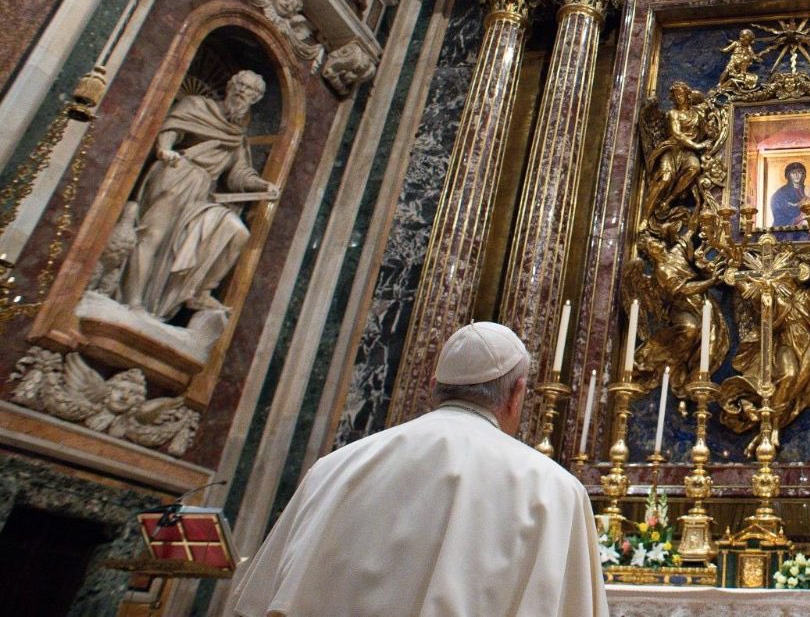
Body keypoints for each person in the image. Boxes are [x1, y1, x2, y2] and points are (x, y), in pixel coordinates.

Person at [227, 322, 608, 616]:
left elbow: (260, 602)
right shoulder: (553, 489)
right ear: (516, 393)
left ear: (433, 386)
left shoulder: (335, 467)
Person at [119, 70, 277, 319]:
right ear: (230, 86)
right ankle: (133, 302)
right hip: (177, 172)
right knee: (153, 235)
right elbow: (173, 127)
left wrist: (263, 185)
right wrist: (165, 149)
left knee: (237, 232)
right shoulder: (196, 105)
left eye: (249, 90)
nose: (242, 92)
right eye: (239, 85)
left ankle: (200, 292)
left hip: (203, 192)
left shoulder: (237, 137)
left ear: (255, 99)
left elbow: (238, 174)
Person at [771, 162, 808, 226]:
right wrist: (798, 219)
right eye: (793, 173)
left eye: (799, 172)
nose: (796, 175)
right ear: (788, 175)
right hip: (787, 229)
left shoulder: (808, 191)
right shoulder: (781, 194)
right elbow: (779, 216)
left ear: (803, 175)